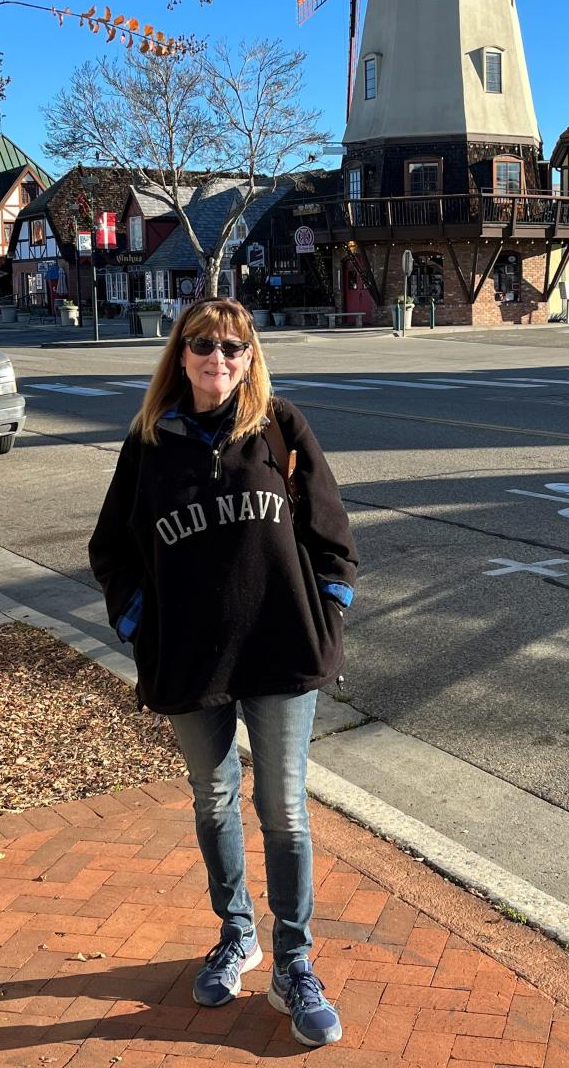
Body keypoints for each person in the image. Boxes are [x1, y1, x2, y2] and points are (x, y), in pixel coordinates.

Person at [89, 297, 358, 1048]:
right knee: (212, 803)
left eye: (233, 347)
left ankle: (295, 961)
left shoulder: (281, 429)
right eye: (202, 345)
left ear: (250, 356)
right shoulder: (149, 443)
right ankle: (237, 935)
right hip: (189, 657)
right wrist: (138, 623)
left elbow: (332, 535)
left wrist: (327, 614)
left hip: (280, 652)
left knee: (285, 810)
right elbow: (112, 548)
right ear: (180, 355)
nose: (218, 359)